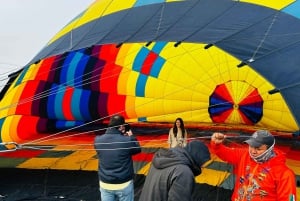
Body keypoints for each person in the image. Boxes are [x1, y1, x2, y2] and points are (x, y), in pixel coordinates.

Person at [211, 130, 297, 201]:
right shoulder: (244, 155)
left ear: (269, 149)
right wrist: (216, 144)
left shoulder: (285, 174)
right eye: (251, 146)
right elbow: (224, 153)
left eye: (258, 149)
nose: (253, 151)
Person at [139, 140, 211, 201]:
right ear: (197, 157)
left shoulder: (161, 158)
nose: (202, 167)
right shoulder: (184, 172)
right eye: (202, 163)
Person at [94, 115, 141, 201]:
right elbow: (137, 149)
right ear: (121, 126)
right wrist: (131, 137)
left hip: (105, 183)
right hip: (124, 184)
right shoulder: (127, 140)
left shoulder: (97, 140)